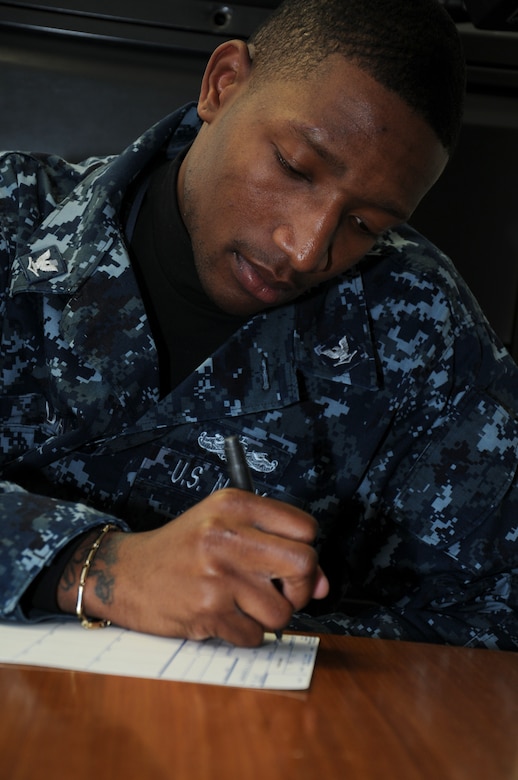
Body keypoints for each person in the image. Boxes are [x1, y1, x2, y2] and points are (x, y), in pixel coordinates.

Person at [1, 0, 516, 650]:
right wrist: (102, 570)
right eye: (295, 168)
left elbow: (488, 616)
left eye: (366, 225)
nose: (306, 250)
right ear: (223, 84)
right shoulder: (9, 221)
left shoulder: (422, 330)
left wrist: (263, 624)